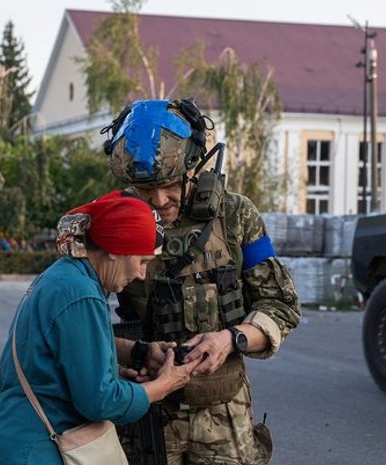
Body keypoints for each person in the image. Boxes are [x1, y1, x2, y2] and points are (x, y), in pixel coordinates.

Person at [103, 98, 302, 465]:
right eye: (145, 191)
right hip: (148, 416)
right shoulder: (114, 222)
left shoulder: (235, 214)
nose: (159, 201)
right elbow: (83, 323)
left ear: (194, 167)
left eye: (169, 185)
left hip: (225, 419)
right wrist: (133, 353)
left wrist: (231, 338)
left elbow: (281, 305)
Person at [0, 191, 199, 465]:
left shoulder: (63, 276)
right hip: (33, 452)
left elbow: (53, 361)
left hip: (12, 442)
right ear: (115, 250)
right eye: (142, 261)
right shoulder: (82, 292)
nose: (141, 274)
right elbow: (100, 401)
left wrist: (127, 358)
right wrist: (162, 386)